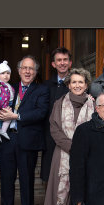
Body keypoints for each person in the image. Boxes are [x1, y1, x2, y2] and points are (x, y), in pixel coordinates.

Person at [40, 68, 94, 205]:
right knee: (65, 197)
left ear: (86, 85)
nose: (77, 85)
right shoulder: (59, 103)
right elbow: (54, 130)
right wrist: (74, 148)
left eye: (81, 82)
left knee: (83, 196)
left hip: (89, 158)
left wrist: (82, 151)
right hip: (62, 155)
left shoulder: (94, 105)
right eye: (74, 82)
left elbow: (95, 130)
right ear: (68, 84)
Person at [0, 55, 49, 205]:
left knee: (27, 181)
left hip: (28, 142)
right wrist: (0, 115)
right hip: (7, 140)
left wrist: (16, 116)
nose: (27, 71)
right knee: (6, 180)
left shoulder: (41, 90)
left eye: (31, 68)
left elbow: (41, 113)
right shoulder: (9, 88)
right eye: (24, 68)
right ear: (18, 71)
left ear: (35, 72)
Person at [40, 47, 72, 183]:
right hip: (51, 136)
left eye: (65, 60)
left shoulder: (77, 84)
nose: (62, 63)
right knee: (51, 175)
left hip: (71, 136)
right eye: (59, 60)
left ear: (70, 63)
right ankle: (51, 204)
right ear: (53, 64)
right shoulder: (46, 86)